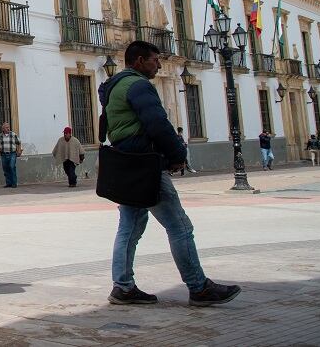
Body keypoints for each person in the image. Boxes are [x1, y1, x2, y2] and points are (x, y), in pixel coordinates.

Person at [99, 40, 241, 307]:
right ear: (139, 61)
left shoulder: (114, 87)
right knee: (180, 226)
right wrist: (177, 155)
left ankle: (123, 287)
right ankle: (199, 288)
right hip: (146, 164)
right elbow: (157, 124)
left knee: (129, 228)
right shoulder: (139, 85)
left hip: (127, 163)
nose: (159, 65)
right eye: (155, 60)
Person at [0, 122, 22, 188]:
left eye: (8, 127)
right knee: (5, 168)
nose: (8, 128)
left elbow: (19, 142)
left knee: (12, 167)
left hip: (12, 153)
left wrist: (19, 151)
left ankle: (14, 183)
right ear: (3, 129)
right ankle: (8, 183)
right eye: (6, 127)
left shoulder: (13, 134)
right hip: (3, 154)